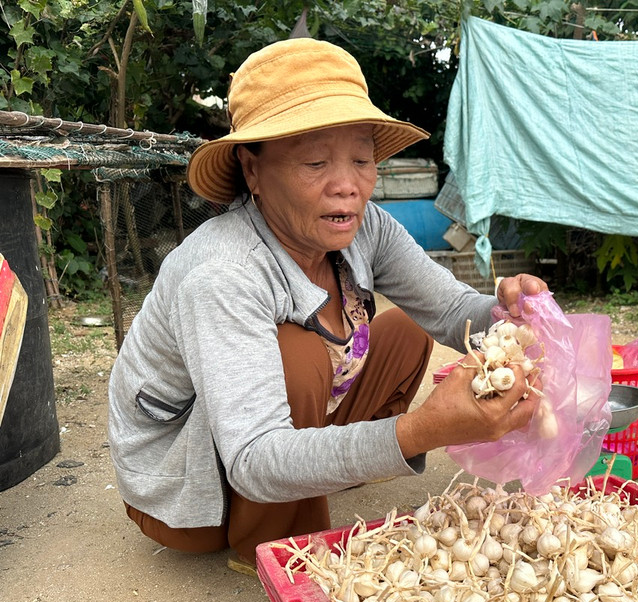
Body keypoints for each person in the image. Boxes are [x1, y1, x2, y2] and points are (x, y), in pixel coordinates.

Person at [107, 38, 549, 574]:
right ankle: (272, 543)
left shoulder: (368, 230)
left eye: (362, 160)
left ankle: (334, 467)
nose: (349, 187)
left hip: (279, 437)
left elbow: (453, 310)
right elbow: (251, 458)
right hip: (192, 487)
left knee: (407, 330)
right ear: (252, 171)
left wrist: (510, 318)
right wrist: (421, 430)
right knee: (300, 353)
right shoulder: (223, 272)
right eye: (316, 162)